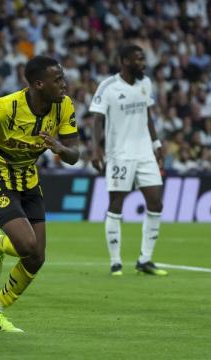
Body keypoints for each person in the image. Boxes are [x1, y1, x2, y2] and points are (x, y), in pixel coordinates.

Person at [0, 56, 80, 332]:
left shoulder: (64, 107)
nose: (64, 84)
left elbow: (74, 155)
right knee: (25, 246)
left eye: (63, 78)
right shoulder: (4, 108)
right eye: (57, 80)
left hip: (28, 180)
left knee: (37, 257)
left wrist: (60, 148)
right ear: (38, 84)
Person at [89, 45, 168, 277]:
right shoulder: (108, 86)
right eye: (138, 59)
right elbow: (96, 119)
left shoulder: (146, 83)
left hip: (144, 153)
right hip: (119, 154)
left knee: (156, 203)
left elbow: (148, 115)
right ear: (124, 61)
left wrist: (156, 144)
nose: (143, 63)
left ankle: (145, 259)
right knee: (116, 205)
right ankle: (115, 261)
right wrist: (96, 150)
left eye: (143, 58)